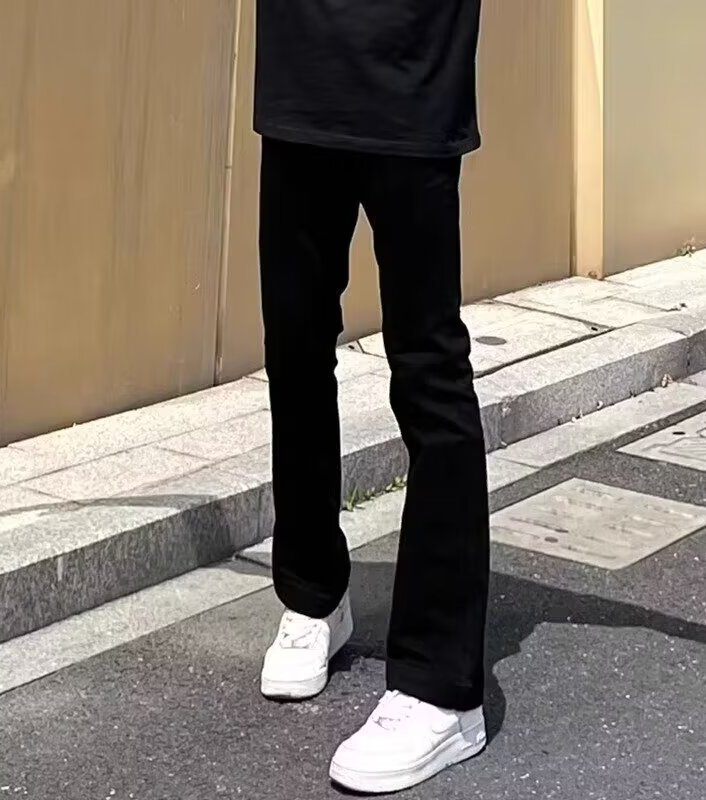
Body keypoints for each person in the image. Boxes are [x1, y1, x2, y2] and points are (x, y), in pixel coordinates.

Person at [254, 0, 489, 792]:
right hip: (299, 80)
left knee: (428, 371)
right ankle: (314, 596)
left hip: (411, 80)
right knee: (293, 351)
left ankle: (442, 688)